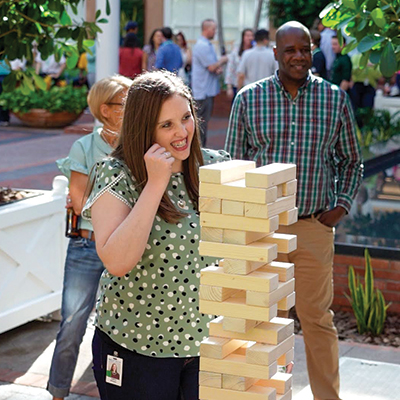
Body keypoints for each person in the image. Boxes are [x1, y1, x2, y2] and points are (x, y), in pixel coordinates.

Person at [225, 21, 362, 400]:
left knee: (317, 319)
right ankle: (264, 394)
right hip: (262, 230)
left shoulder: (334, 99)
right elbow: (235, 165)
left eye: (306, 48)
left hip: (314, 225)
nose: (300, 56)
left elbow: (351, 160)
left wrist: (340, 206)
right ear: (275, 54)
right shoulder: (248, 99)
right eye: (290, 50)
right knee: (262, 322)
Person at [81, 70, 230, 400]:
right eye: (167, 125)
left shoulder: (218, 168)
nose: (182, 132)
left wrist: (259, 332)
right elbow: (117, 261)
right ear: (143, 127)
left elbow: (242, 258)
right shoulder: (115, 174)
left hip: (206, 348)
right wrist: (155, 183)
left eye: (186, 118)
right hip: (135, 351)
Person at [47, 75, 133, 400]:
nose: (133, 108)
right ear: (105, 109)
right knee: (71, 325)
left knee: (123, 328)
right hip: (87, 246)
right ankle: (57, 392)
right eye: (126, 103)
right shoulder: (83, 147)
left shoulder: (139, 143)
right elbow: (80, 202)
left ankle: (116, 391)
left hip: (127, 247)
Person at [192, 19, 228, 147]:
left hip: (206, 89)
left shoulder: (206, 44)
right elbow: (212, 67)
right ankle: (200, 150)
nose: (215, 32)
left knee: (203, 122)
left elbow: (211, 66)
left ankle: (201, 149)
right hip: (203, 91)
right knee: (201, 122)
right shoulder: (202, 45)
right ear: (206, 29)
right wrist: (223, 60)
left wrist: (217, 67)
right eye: (213, 29)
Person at [225, 28, 254, 99]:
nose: (249, 38)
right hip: (238, 85)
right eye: (247, 36)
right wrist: (229, 87)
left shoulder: (255, 52)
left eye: (251, 36)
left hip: (252, 85)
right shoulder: (236, 51)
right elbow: (230, 68)